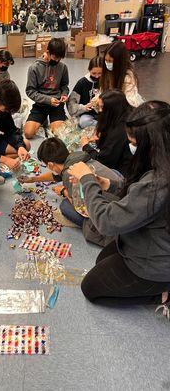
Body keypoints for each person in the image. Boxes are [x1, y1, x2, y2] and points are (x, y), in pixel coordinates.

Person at [67, 100, 170, 306]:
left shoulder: (157, 185)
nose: (131, 147)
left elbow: (106, 222)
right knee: (101, 261)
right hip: (146, 241)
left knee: (91, 288)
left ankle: (161, 295)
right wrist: (108, 184)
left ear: (151, 143)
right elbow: (137, 190)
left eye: (134, 143)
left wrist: (87, 180)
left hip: (156, 263)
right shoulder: (162, 164)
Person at [19, 137, 122, 227]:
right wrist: (33, 179)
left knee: (65, 206)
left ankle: (87, 227)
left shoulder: (69, 175)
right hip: (120, 189)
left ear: (50, 165)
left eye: (47, 166)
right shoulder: (75, 157)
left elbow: (80, 207)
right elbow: (56, 175)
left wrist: (64, 191)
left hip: (112, 214)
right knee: (114, 172)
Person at [80, 90, 133, 176]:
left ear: (112, 109)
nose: (100, 111)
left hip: (122, 172)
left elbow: (103, 162)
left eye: (102, 107)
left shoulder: (118, 132)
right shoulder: (124, 114)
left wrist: (85, 146)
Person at [24, 38, 69, 139]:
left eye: (59, 58)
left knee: (58, 135)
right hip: (41, 104)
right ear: (48, 52)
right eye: (55, 57)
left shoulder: (63, 67)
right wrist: (48, 100)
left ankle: (55, 121)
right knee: (28, 133)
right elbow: (30, 91)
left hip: (57, 104)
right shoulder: (34, 68)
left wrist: (64, 95)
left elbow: (64, 86)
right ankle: (43, 120)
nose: (57, 60)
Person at [101, 41, 142, 107]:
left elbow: (131, 101)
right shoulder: (107, 73)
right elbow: (102, 91)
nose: (107, 63)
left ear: (119, 62)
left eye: (110, 61)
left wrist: (106, 102)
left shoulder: (128, 77)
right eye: (106, 60)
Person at [67, 56, 103, 128]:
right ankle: (103, 127)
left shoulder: (107, 81)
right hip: (87, 114)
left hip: (104, 113)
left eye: (100, 73)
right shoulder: (82, 83)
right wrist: (84, 107)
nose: (96, 76)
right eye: (94, 73)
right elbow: (71, 105)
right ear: (89, 70)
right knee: (83, 122)